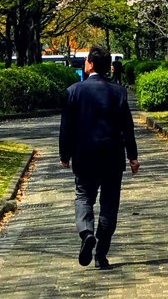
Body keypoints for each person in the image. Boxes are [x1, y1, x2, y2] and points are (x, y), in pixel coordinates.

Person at [59, 44, 140, 270]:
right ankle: (101, 255)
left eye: (86, 60)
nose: (85, 63)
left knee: (83, 196)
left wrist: (64, 155)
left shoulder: (74, 91)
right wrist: (133, 157)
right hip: (113, 157)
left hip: (84, 156)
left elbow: (66, 127)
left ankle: (86, 233)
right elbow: (128, 128)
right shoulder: (119, 92)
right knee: (109, 205)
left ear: (91, 64)